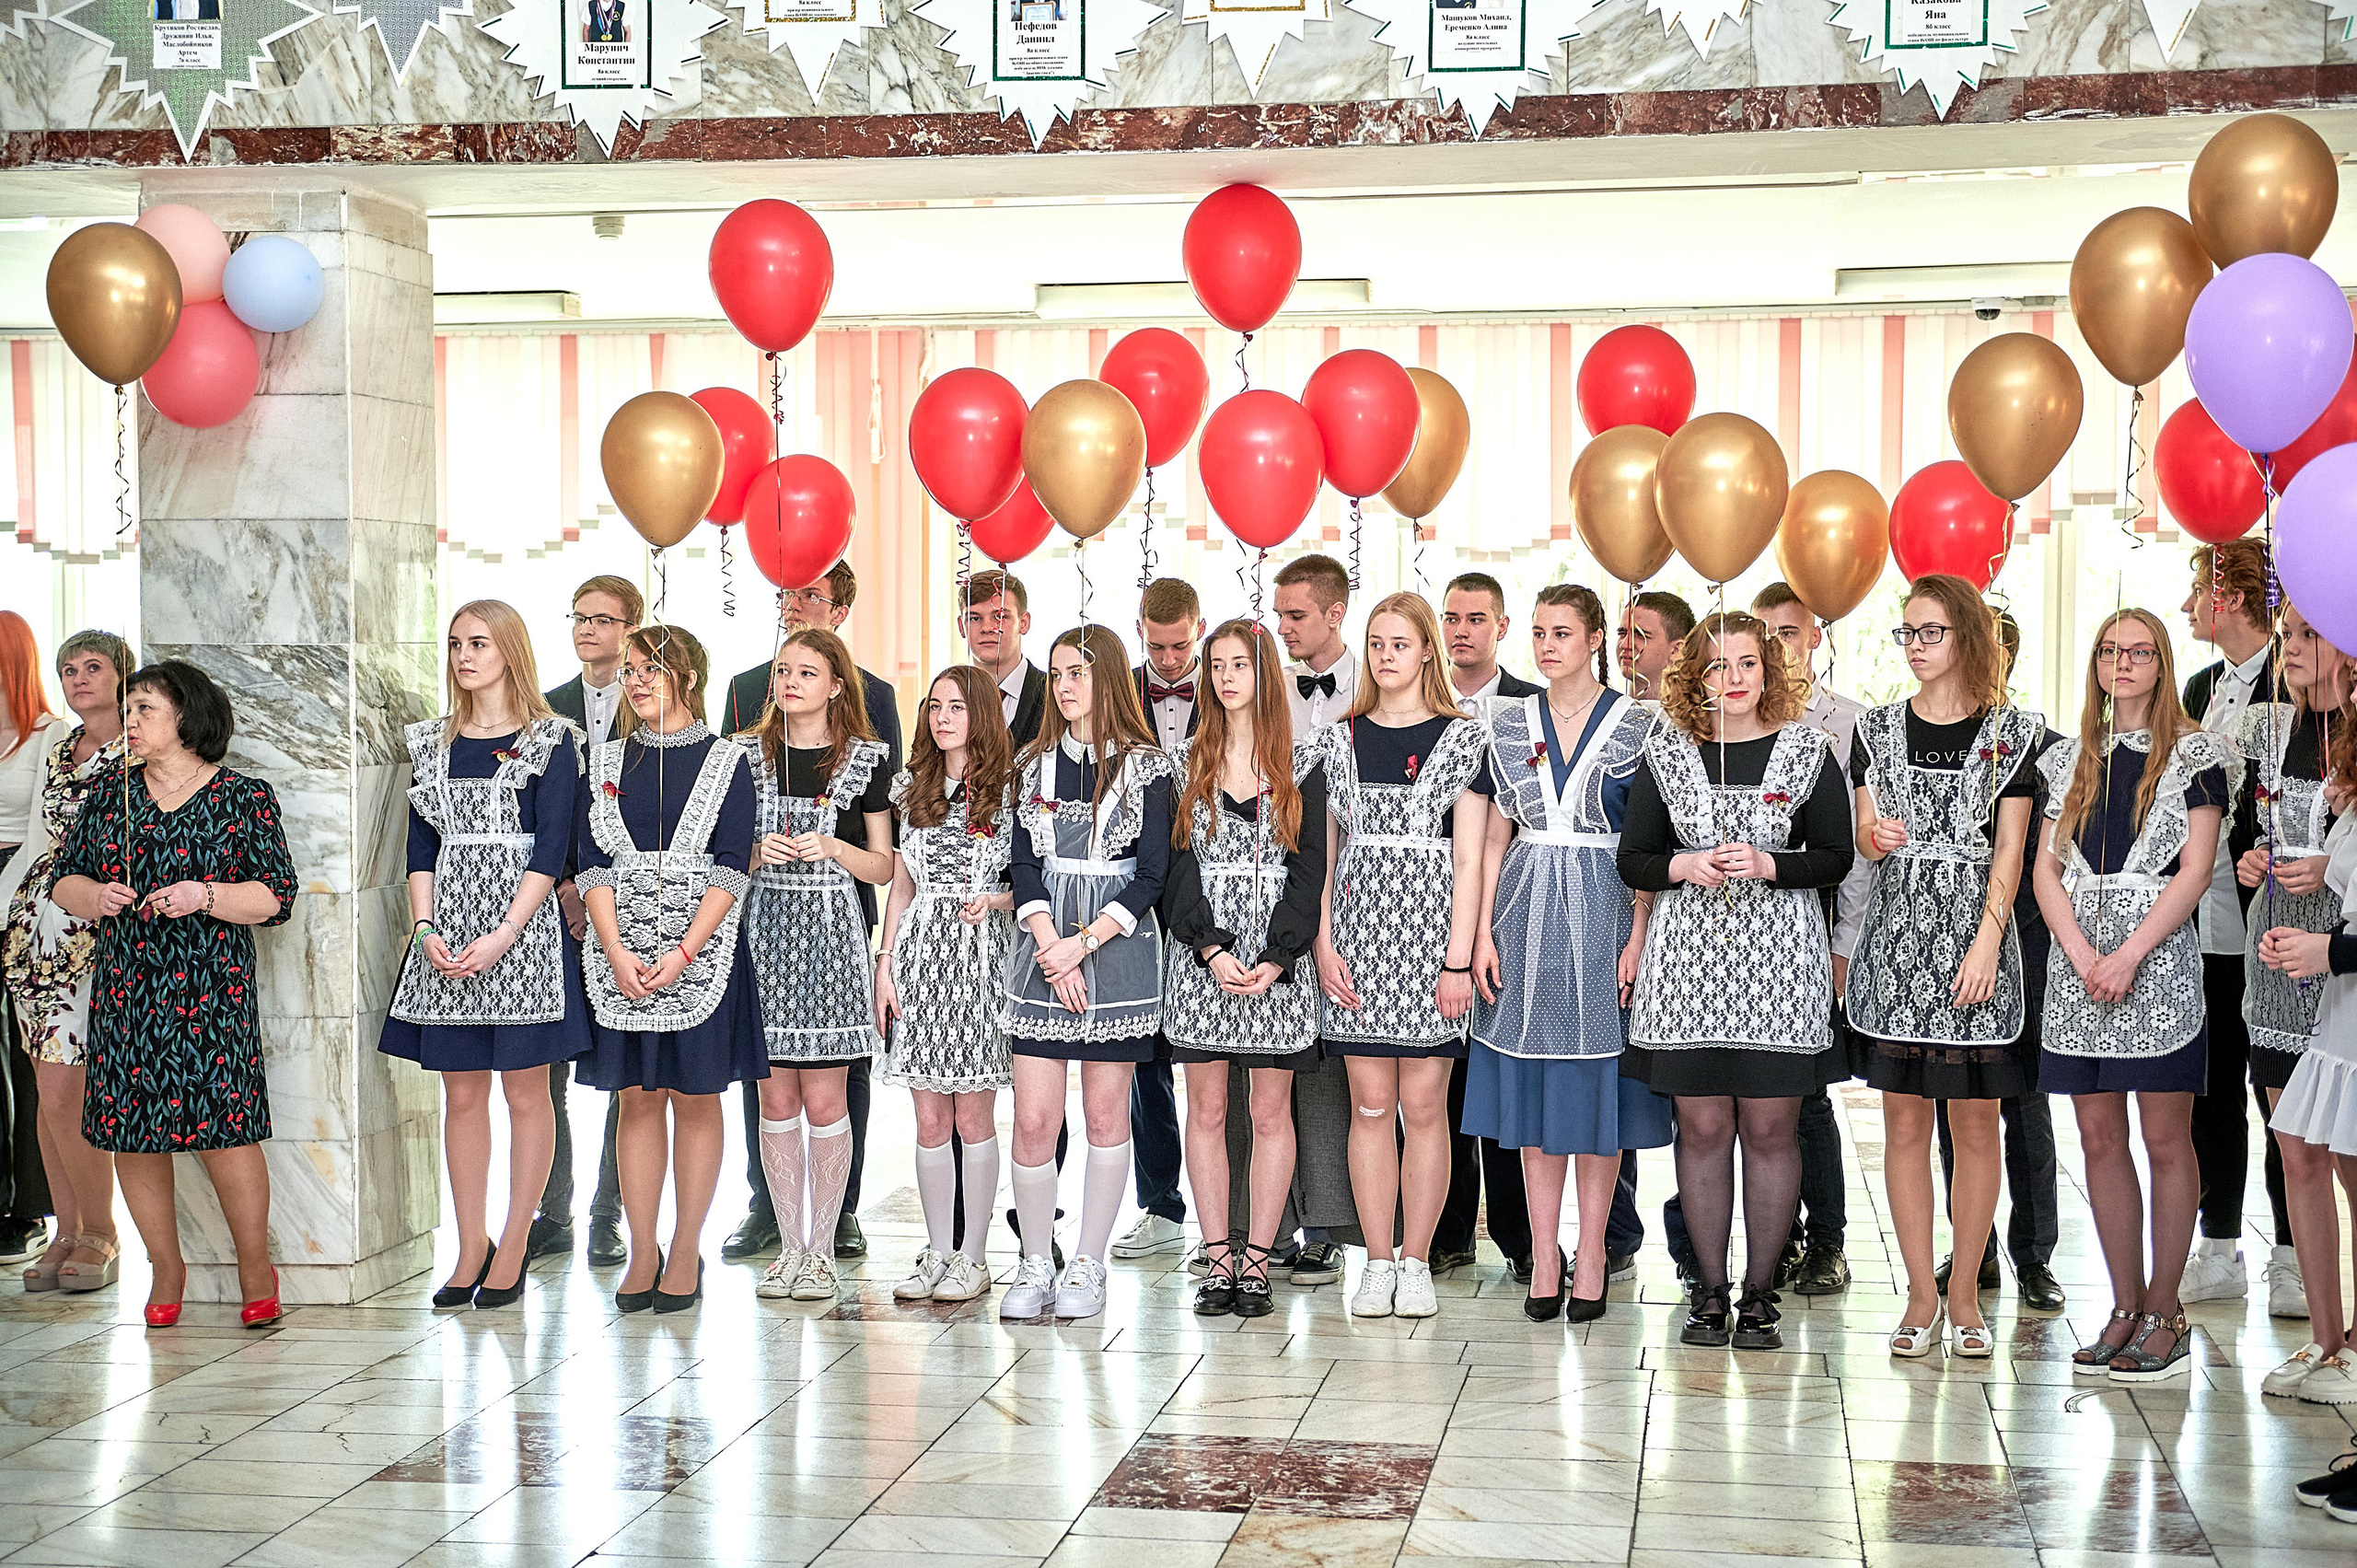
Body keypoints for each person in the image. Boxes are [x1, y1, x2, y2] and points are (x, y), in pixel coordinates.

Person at [1618, 611, 1852, 1353]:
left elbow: (1837, 856)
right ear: (1696, 678)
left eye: (1748, 662)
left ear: (1770, 669)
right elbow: (1635, 858)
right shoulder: (1669, 751)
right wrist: (1683, 865)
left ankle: (1760, 1294)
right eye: (1719, 666)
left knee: (1771, 1127)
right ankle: (1709, 1292)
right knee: (1705, 1127)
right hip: (1687, 965)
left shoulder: (1808, 751)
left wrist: (1774, 864)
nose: (1736, 678)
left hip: (1781, 965)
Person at [51, 660, 297, 1328]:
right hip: (128, 987)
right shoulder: (111, 795)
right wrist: (96, 896)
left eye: (143, 709)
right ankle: (166, 1266)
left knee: (226, 1129)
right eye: (126, 710)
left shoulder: (242, 797)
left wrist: (205, 895)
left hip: (210, 989)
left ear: (185, 715)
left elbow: (276, 896)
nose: (128, 721)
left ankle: (255, 1265)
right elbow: (63, 881)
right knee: (134, 1134)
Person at [1846, 575, 2043, 1359]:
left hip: (1974, 941)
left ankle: (1964, 1288)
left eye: (1930, 631)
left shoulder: (2012, 733)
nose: (1917, 646)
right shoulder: (1876, 729)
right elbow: (1863, 833)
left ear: (1966, 635)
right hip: (1899, 942)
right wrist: (1874, 837)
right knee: (1903, 1122)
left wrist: (1990, 943)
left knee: (1976, 1122)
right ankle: (1918, 1292)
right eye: (1907, 633)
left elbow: (2011, 851)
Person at [2035, 608, 2232, 1382]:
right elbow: (2045, 868)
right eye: (2110, 650)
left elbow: (2196, 866)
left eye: (2140, 651)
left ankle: (2166, 1309)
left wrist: (2130, 953)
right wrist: (2083, 951)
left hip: (2156, 959)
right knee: (2098, 1141)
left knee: (2162, 1139)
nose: (2123, 663)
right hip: (2078, 964)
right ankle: (2122, 1305)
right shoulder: (2067, 759)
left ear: (2162, 661)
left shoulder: (2195, 756)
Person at [1467, 584, 1666, 1323]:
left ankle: (1592, 1254)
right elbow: (1492, 835)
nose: (1547, 645)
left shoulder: (1641, 726)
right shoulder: (1507, 721)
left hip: (1606, 905)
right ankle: (1543, 1252)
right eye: (1540, 632)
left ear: (1595, 640)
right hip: (1523, 912)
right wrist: (1481, 930)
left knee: (1596, 1093)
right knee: (1535, 1089)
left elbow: (1653, 841)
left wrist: (1640, 933)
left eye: (1563, 632)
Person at [377, 603, 584, 1310]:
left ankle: (515, 1240)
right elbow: (420, 847)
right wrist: (426, 928)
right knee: (460, 1093)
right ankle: (471, 1244)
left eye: (479, 643)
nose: (464, 655)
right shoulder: (432, 742)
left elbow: (552, 847)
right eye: (456, 643)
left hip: (520, 930)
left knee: (527, 1091)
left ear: (510, 652)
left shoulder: (552, 740)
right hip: (447, 932)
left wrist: (504, 934)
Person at [574, 626, 766, 1315]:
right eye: (628, 672)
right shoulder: (606, 759)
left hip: (702, 950)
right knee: (636, 1096)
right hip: (620, 949)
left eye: (651, 669)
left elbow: (731, 865)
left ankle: (686, 1247)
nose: (637, 681)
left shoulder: (727, 760)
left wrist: (685, 949)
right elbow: (591, 860)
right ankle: (643, 1245)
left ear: (686, 674)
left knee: (695, 1096)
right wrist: (615, 947)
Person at [720, 560, 902, 1269]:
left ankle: (823, 1244)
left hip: (831, 936)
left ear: (834, 682)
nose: (789, 681)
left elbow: (886, 866)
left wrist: (832, 845)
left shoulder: (864, 759)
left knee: (827, 1101)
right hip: (761, 934)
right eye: (783, 671)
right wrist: (757, 853)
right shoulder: (741, 757)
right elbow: (722, 856)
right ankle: (787, 1243)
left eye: (805, 671)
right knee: (773, 1098)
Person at [1314, 592, 1490, 1321]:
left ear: (1427, 652)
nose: (1386, 656)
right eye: (1376, 643)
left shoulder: (1463, 739)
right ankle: (1377, 1259)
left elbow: (1473, 860)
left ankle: (1417, 1259)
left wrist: (1456, 959)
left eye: (1401, 643)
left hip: (1429, 944)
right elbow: (1323, 855)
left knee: (1424, 1107)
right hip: (1356, 940)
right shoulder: (1338, 738)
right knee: (1369, 1104)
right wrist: (1322, 940)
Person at [1000, 624, 1174, 1320]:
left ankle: (1089, 1263)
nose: (1066, 685)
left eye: (1080, 671)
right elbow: (1022, 864)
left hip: (1119, 948)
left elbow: (1154, 874)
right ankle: (1036, 1257)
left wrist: (1085, 943)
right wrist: (1050, 941)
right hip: (1043, 947)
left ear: (1110, 680)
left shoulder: (1148, 766)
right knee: (1036, 1119)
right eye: (1059, 673)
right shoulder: (1031, 764)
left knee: (1107, 1115)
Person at [1165, 620, 1327, 1318]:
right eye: (1218, 665)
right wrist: (1210, 946)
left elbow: (1310, 866)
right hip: (1206, 959)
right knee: (1206, 1107)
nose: (1227, 677)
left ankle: (1257, 1255)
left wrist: (1278, 954)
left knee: (1268, 1109)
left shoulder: (1304, 760)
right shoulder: (1183, 764)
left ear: (1265, 674)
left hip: (1274, 961)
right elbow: (1173, 867)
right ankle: (1215, 1254)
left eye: (1240, 664)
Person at [2235, 606, 2356, 1401]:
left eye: (2310, 637)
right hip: (2275, 948)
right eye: (2290, 638)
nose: (2295, 652)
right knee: (2295, 1151)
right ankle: (2320, 1335)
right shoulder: (2270, 729)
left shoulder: (2356, 732)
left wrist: (2326, 870)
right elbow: (2258, 826)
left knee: (2350, 1158)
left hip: (2341, 957)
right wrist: (2252, 860)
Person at [1934, 610, 2067, 1315]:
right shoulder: (1925, 734)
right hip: (1948, 943)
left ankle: (2034, 1255)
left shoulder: (2040, 744)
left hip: (2023, 939)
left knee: (2024, 1101)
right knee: (1957, 1101)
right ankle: (1972, 1245)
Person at [876, 666, 1016, 1306]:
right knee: (928, 1114)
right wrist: (885, 962)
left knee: (972, 1113)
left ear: (980, 712)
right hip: (923, 950)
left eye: (955, 706)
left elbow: (1031, 881)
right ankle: (936, 1250)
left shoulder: (1011, 788)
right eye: (934, 706)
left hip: (983, 952)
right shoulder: (912, 788)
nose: (941, 717)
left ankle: (976, 1256)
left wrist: (998, 898)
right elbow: (901, 884)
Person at [2179, 538, 2288, 1309]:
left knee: (2278, 1086)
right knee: (2213, 1088)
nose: (2189, 606)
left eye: (2197, 592)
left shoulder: (2297, 679)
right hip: (2208, 913)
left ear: (2237, 598)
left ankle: (2292, 1249)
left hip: (2275, 915)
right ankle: (2219, 1244)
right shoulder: (2199, 684)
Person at [1750, 581, 1866, 1296]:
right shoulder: (1736, 721)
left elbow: (1853, 849)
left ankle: (1827, 1240)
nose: (1774, 647)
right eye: (1762, 635)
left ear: (1815, 635)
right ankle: (1775, 1239)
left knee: (1811, 1093)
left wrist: (1842, 946)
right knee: (1755, 1096)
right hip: (1746, 930)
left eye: (1787, 633)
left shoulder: (1849, 724)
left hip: (1817, 922)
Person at [5, 630, 126, 1293]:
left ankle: (102, 1232)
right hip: (34, 929)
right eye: (68, 669)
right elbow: (34, 842)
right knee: (44, 1088)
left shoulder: (138, 750)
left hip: (95, 928)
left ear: (122, 674)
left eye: (93, 666)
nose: (79, 678)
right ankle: (66, 1228)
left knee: (63, 1086)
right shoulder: (57, 746)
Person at [1435, 572, 1538, 1279]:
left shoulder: (1533, 706)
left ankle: (1520, 1234)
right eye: (1451, 618)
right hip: (1426, 904)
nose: (1461, 630)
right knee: (1439, 1079)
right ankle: (1446, 1230)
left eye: (1476, 617)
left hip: (1514, 906)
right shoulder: (1426, 700)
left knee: (1501, 1075)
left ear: (1502, 625)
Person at [538, 573, 642, 1269]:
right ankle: (554, 1208)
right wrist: (566, 883)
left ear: (631, 627)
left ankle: (608, 1214)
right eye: (579, 617)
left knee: (620, 1068)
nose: (588, 629)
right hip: (552, 905)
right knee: (545, 1067)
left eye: (603, 619)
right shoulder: (544, 709)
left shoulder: (652, 708)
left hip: (630, 906)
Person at [1263, 552, 1360, 1288]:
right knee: (1269, 1067)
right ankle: (1260, 1224)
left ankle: (1327, 1223)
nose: (1283, 626)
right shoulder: (1264, 688)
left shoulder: (1377, 678)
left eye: (1296, 614)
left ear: (1335, 612)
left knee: (1330, 1066)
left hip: (1356, 892)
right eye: (1280, 612)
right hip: (1266, 889)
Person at [1111, 577, 1203, 1264]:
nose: (1169, 660)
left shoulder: (1235, 685)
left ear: (1198, 629)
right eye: (1156, 645)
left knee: (1222, 1060)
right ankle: (1160, 1204)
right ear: (1139, 630)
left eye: (1180, 645)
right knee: (1145, 1056)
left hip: (1214, 883)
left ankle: (1237, 1219)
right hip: (1137, 887)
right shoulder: (1121, 695)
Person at [1604, 587, 1692, 1274]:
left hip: (1688, 921)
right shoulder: (1607, 719)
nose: (1628, 645)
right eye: (1623, 633)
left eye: (1644, 634)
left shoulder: (1694, 730)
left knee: (1696, 1102)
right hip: (1618, 910)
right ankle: (1614, 1233)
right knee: (1619, 1078)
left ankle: (1697, 1245)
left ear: (1680, 648)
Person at [0, 613, 62, 1270]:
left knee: (34, 1055)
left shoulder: (50, 736)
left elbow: (46, 834)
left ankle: (33, 1207)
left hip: (29, 887)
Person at [964, 569, 1048, 746]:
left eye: (1000, 617)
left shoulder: (1055, 695)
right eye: (974, 618)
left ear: (1023, 623)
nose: (987, 628)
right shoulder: (939, 703)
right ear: (962, 626)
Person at [1615, 590, 1693, 704]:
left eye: (1640, 635)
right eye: (1622, 633)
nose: (1624, 644)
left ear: (1676, 650)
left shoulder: (1695, 719)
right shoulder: (1606, 712)